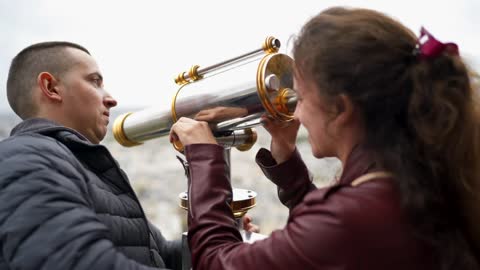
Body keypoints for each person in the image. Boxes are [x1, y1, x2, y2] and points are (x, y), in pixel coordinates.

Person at [169, 7, 480, 270]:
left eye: (301, 98)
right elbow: (332, 241)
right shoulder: (421, 174)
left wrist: (204, 158)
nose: (297, 114)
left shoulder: (353, 216)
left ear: (341, 108)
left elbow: (216, 262)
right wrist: (289, 163)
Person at [0, 41, 183, 270]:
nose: (111, 99)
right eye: (95, 81)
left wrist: (228, 236)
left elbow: (161, 255)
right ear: (51, 87)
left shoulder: (81, 164)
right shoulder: (25, 157)